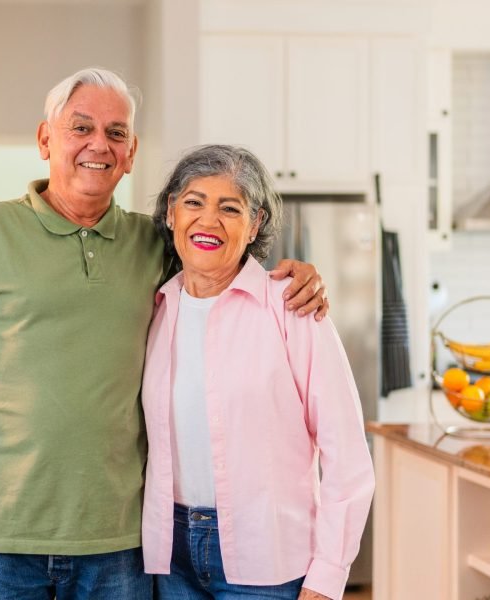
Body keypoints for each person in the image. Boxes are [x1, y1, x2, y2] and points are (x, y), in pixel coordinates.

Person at [0, 67, 330, 600]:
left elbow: (218, 259)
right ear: (45, 139)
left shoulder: (153, 243)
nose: (99, 145)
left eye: (116, 133)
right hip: (1, 536)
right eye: (81, 128)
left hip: (122, 539)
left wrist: (298, 274)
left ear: (132, 152)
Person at [142, 145, 374, 600]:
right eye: (193, 202)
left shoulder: (291, 307)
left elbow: (347, 456)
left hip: (267, 557)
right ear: (171, 213)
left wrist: (327, 577)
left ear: (256, 224)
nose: (208, 221)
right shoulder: (155, 307)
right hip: (169, 558)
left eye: (230, 208)